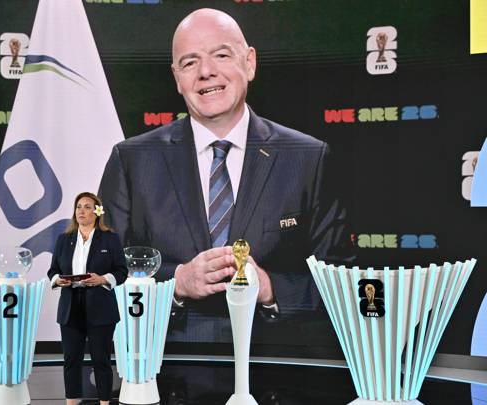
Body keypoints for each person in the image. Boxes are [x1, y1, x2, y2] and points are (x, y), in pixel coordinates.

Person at [98, 9, 353, 345]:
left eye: (221, 55)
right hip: (167, 369)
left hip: (276, 371)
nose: (206, 72)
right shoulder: (132, 160)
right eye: (190, 62)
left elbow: (342, 284)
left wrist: (269, 288)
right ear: (176, 78)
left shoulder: (307, 158)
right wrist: (177, 282)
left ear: (249, 62)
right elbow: (101, 276)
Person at [47, 192, 128, 405]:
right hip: (70, 306)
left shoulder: (110, 238)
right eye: (78, 207)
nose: (81, 211)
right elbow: (53, 270)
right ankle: (71, 402)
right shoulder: (64, 239)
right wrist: (57, 280)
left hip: (100, 308)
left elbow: (121, 271)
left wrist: (102, 279)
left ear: (97, 212)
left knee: (101, 360)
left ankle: (104, 402)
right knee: (71, 360)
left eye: (87, 207)